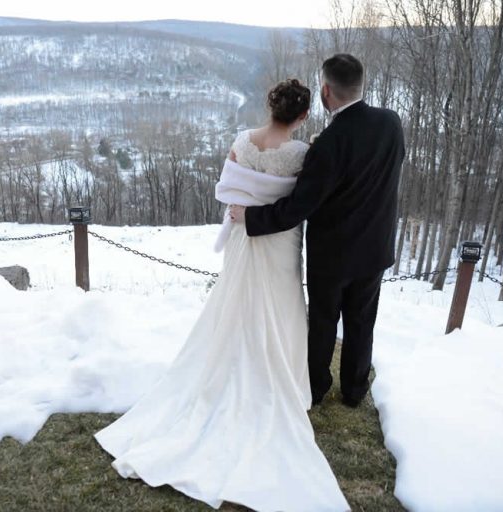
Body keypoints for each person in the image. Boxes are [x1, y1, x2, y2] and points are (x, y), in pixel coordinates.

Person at [95, 79, 350, 512]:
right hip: (278, 242)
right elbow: (298, 203)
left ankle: (230, 367)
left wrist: (244, 208)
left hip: (242, 239)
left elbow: (228, 190)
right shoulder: (303, 155)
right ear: (303, 115)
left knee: (235, 304)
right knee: (283, 310)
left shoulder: (241, 142)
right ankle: (280, 376)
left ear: (270, 107)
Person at [230, 54, 405, 408]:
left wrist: (250, 218)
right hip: (375, 247)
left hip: (333, 254)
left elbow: (298, 208)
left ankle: (316, 387)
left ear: (326, 91)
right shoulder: (391, 123)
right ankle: (355, 391)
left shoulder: (327, 143)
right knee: (362, 321)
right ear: (360, 84)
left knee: (324, 323)